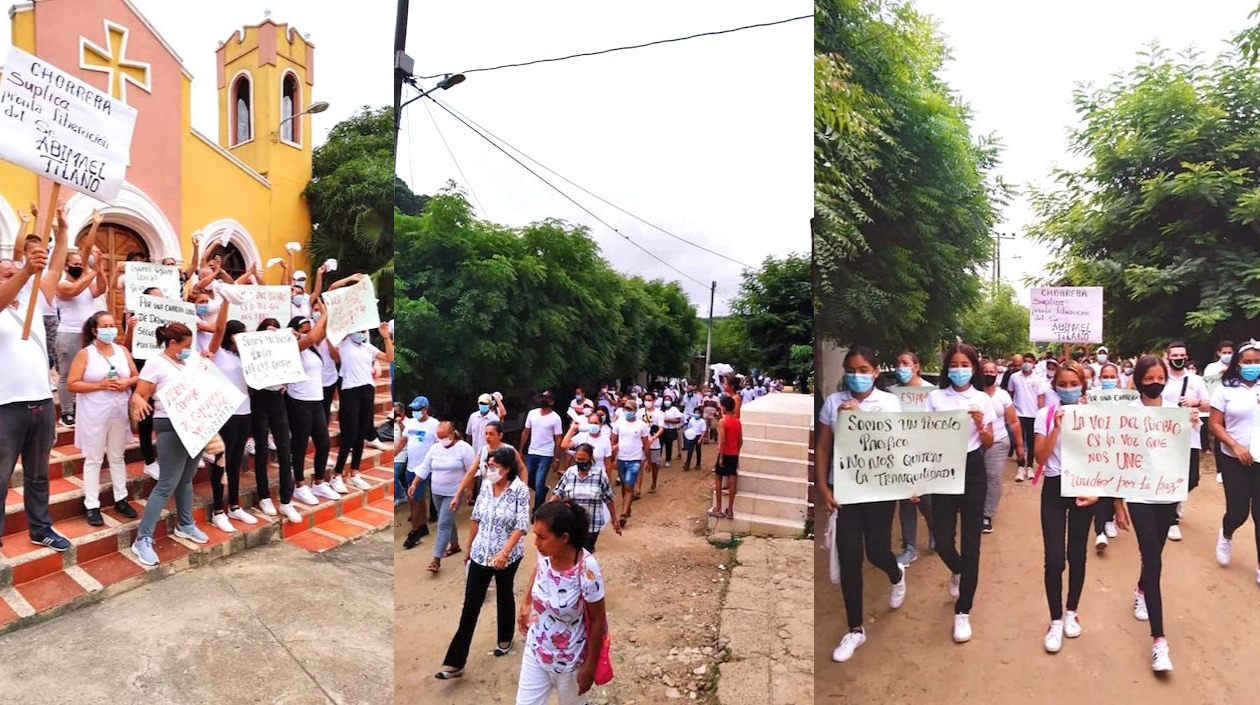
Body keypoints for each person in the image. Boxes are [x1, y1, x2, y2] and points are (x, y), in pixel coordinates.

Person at [815, 346, 906, 663]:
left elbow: (896, 446)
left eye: (864, 369)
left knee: (877, 551)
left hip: (879, 490)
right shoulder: (833, 403)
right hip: (846, 491)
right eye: (851, 370)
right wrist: (824, 487)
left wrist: (860, 419)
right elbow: (823, 447)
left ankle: (896, 575)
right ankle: (855, 629)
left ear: (875, 372)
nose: (857, 375)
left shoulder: (890, 402)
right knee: (850, 557)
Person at [1116, 354, 1194, 673]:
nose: (1154, 382)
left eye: (1159, 377)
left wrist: (1192, 427)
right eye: (1147, 378)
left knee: (1154, 555)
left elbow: (1185, 451)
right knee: (1154, 560)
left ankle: (1140, 589)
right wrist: (1118, 503)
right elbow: (1117, 457)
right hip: (1139, 494)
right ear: (1137, 380)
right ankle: (1159, 641)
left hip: (1167, 493)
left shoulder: (1176, 412)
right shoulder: (1127, 414)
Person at [0, 209, 72, 551]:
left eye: (12, 271)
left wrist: (62, 230)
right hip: (5, 407)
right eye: (3, 272)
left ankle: (40, 528)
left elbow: (56, 267)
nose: (9, 273)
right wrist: (25, 268)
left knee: (38, 474)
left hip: (41, 402)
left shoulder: (34, 302)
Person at [435, 446, 531, 680]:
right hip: (480, 553)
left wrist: (504, 553)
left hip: (507, 555)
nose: (489, 470)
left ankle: (505, 638)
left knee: (504, 593)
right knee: (470, 606)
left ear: (507, 469)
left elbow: (521, 525)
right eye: (488, 466)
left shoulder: (519, 491)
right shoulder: (486, 486)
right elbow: (476, 517)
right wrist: (469, 548)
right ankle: (455, 662)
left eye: (494, 466)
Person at [925, 342, 995, 644]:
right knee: (941, 540)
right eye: (953, 365)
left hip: (973, 468)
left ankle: (963, 610)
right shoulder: (935, 397)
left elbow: (990, 442)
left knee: (971, 543)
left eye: (965, 365)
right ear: (946, 369)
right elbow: (924, 434)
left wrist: (981, 425)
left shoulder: (982, 399)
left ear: (974, 369)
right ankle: (958, 570)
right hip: (943, 468)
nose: (959, 370)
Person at [129, 323, 209, 565]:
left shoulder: (189, 362)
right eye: (186, 346)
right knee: (166, 484)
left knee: (186, 479)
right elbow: (139, 393)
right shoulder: (156, 363)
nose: (189, 350)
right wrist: (137, 402)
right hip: (170, 425)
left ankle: (185, 523)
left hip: (196, 425)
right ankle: (142, 539)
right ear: (173, 343)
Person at [516, 499, 608, 705]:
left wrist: (590, 666)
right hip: (536, 650)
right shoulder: (546, 555)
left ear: (564, 538)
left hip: (570, 662)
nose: (535, 542)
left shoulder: (587, 569)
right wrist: (525, 602)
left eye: (542, 537)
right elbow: (538, 572)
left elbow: (597, 621)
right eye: (535, 535)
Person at [1033, 360, 1096, 654]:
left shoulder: (1095, 416)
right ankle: (1055, 618)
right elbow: (1040, 458)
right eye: (1063, 384)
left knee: (1077, 554)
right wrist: (1057, 428)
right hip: (1054, 487)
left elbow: (1103, 458)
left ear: (1083, 385)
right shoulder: (1044, 415)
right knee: (1055, 558)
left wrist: (1099, 494)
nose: (1068, 389)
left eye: (1074, 384)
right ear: (1055, 386)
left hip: (1085, 488)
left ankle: (1072, 610)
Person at [65, 312, 139, 526]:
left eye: (112, 325)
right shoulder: (86, 354)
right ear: (95, 331)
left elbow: (135, 375)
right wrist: (100, 385)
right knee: (94, 457)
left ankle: (121, 498)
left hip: (118, 410)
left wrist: (127, 383)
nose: (109, 329)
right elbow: (72, 384)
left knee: (117, 455)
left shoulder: (122, 350)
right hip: (94, 412)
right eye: (104, 326)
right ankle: (91, 504)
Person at [1209, 339, 1260, 585]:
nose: (1253, 366)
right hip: (1234, 460)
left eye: (1257, 362)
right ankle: (1227, 532)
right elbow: (1215, 424)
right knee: (1239, 511)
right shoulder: (1225, 390)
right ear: (1238, 364)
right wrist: (1236, 446)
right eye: (1247, 362)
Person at [329, 315, 394, 491]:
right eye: (356, 330)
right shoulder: (342, 344)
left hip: (367, 389)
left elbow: (389, 357)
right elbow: (333, 353)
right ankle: (337, 475)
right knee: (349, 434)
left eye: (362, 330)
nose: (359, 333)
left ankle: (354, 473)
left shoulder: (368, 346)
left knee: (360, 434)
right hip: (350, 389)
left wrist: (386, 336)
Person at [53, 219, 107, 427]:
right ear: (66, 266)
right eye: (75, 265)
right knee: (67, 375)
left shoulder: (87, 282)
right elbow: (72, 291)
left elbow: (100, 289)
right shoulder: (61, 283)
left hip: (88, 335)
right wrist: (90, 270)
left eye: (79, 264)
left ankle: (82, 406)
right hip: (68, 335)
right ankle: (67, 412)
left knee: (88, 371)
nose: (78, 267)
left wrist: (99, 268)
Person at [285, 312, 339, 506]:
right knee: (300, 446)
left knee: (323, 444)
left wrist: (330, 312)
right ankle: (299, 485)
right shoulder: (293, 347)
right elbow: (314, 336)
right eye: (303, 330)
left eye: (309, 329)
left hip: (316, 400)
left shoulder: (313, 349)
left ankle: (319, 482)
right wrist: (324, 314)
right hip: (299, 401)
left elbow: (321, 333)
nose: (308, 333)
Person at [410, 421, 476, 573]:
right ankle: (454, 545)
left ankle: (436, 559)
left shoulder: (464, 448)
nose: (441, 439)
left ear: (452, 434)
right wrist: (414, 483)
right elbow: (425, 467)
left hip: (454, 493)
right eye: (438, 437)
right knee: (447, 519)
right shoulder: (435, 448)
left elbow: (471, 471)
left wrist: (469, 489)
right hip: (437, 491)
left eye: (443, 436)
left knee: (443, 523)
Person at [893, 351, 936, 564]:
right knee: (905, 500)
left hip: (926, 456)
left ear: (916, 366)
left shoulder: (932, 393)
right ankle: (909, 547)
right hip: (900, 454)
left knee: (925, 499)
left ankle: (934, 529)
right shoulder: (892, 394)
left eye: (905, 363)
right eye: (898, 363)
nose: (900, 367)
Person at [1162, 341, 1208, 541]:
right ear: (1168, 357)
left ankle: (1177, 499)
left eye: (1182, 355)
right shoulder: (1162, 379)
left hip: (1191, 436)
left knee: (1192, 478)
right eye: (1175, 356)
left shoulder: (1196, 381)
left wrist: (1195, 402)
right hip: (1166, 438)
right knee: (1170, 476)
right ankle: (1171, 521)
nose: (1179, 359)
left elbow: (1208, 405)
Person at [551, 443, 620, 552]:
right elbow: (559, 493)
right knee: (571, 552)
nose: (581, 462)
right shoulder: (570, 472)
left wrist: (614, 519)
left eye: (584, 460)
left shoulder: (600, 474)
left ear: (590, 459)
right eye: (578, 459)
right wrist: (546, 509)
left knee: (585, 554)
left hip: (591, 524)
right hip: (572, 523)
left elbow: (608, 498)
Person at [981, 359, 1022, 533]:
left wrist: (1020, 446)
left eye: (993, 372)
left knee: (993, 476)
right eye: (986, 371)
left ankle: (986, 514)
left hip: (998, 441)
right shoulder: (973, 394)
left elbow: (1013, 421)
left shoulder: (1003, 396)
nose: (989, 374)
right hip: (974, 443)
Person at [401, 396, 439, 550]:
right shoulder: (410, 423)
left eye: (418, 410)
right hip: (410, 466)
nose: (415, 412)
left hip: (424, 469)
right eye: (414, 409)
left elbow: (439, 446)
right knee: (417, 499)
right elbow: (403, 441)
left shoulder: (434, 425)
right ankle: (423, 525)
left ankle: (414, 531)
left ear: (426, 409)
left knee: (414, 500)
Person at [1094, 362, 1124, 550]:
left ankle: (1109, 518)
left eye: (1112, 377)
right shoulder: (1092, 396)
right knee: (1100, 487)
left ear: (1118, 378)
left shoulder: (1126, 398)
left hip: (1120, 447)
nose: (1109, 380)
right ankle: (1100, 532)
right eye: (1105, 377)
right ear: (1099, 378)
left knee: (1114, 485)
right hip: (1097, 448)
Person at [520, 390, 564, 513]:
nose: (544, 400)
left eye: (547, 398)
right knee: (528, 479)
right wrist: (520, 449)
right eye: (543, 397)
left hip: (546, 454)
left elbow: (558, 438)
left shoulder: (555, 418)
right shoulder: (532, 414)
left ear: (552, 402)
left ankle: (538, 510)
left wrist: (556, 458)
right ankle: (543, 491)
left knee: (539, 482)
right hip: (532, 451)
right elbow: (526, 431)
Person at [610, 398, 650, 528]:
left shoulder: (641, 425)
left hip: (635, 459)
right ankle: (627, 508)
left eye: (630, 409)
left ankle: (622, 514)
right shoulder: (618, 423)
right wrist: (612, 457)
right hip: (622, 458)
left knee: (628, 486)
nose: (628, 412)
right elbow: (613, 441)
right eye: (626, 409)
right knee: (624, 486)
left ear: (635, 411)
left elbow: (646, 444)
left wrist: (648, 461)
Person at [1009, 351, 1048, 483]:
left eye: (1030, 362)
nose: (1027, 364)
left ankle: (1030, 466)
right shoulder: (1014, 377)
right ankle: (1020, 466)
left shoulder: (1039, 379)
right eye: (1025, 361)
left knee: (1031, 442)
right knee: (1018, 442)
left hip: (1033, 414)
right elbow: (1011, 392)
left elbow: (1040, 397)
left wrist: (1041, 413)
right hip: (1018, 414)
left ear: (1034, 364)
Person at [709, 396, 743, 519]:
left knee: (718, 479)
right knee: (732, 480)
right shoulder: (738, 422)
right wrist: (737, 453)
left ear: (723, 407)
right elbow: (740, 441)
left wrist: (721, 457)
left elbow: (722, 440)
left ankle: (718, 508)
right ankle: (730, 510)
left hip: (724, 453)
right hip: (734, 454)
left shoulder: (722, 422)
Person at [637, 392, 665, 496]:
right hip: (640, 443)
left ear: (654, 401)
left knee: (654, 464)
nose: (647, 402)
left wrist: (654, 437)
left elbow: (661, 428)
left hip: (654, 443)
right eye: (646, 400)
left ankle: (654, 483)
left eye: (649, 400)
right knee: (640, 464)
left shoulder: (659, 413)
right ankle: (638, 489)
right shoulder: (639, 412)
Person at [682, 406, 706, 471]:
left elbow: (703, 431)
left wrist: (700, 439)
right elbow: (688, 428)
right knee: (690, 450)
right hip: (691, 436)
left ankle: (698, 465)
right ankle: (687, 464)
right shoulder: (691, 420)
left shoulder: (702, 421)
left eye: (698, 413)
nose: (696, 414)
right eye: (695, 413)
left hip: (698, 436)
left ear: (700, 414)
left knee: (698, 451)